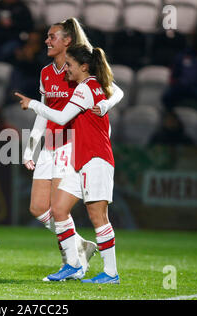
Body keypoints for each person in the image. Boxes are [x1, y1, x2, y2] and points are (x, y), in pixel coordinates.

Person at [22, 17, 123, 273]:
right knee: (37, 207)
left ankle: (70, 262)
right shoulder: (47, 72)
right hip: (50, 142)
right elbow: (44, 114)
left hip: (71, 144)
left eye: (52, 36)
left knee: (60, 208)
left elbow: (115, 91)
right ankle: (79, 244)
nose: (46, 41)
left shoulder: (81, 71)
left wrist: (105, 105)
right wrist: (30, 147)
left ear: (67, 40)